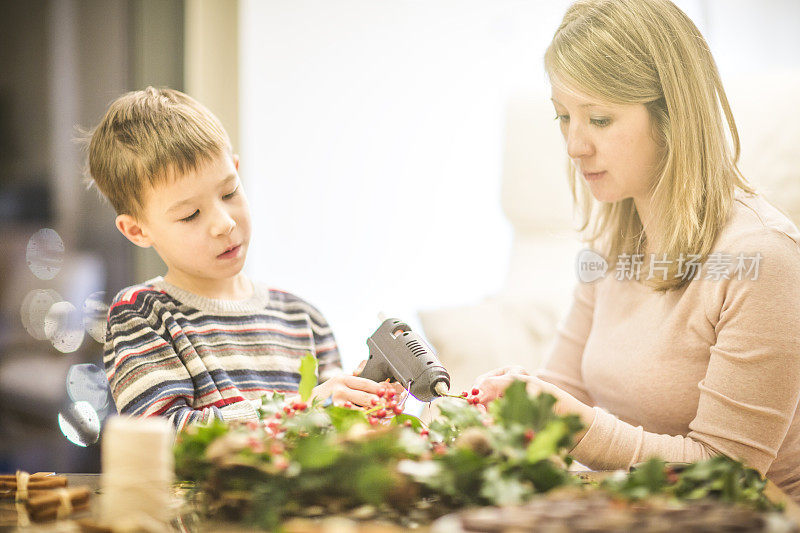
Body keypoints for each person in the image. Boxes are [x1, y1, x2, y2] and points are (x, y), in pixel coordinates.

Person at [472, 0, 800, 501]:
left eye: (599, 119)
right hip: (633, 508)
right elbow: (565, 388)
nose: (574, 145)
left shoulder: (763, 258)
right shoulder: (612, 246)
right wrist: (508, 410)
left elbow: (728, 477)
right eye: (564, 117)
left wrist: (576, 424)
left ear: (673, 117)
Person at [87, 87, 397, 430]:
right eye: (190, 215)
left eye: (229, 192)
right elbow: (163, 436)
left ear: (236, 170)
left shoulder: (304, 319)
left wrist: (363, 403)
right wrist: (304, 409)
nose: (224, 223)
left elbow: (333, 434)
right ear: (137, 231)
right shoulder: (142, 315)